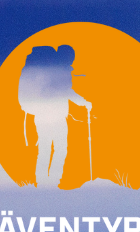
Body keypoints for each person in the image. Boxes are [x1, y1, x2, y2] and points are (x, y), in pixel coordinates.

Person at [17, 44, 91, 188]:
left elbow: (65, 91)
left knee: (47, 148)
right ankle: (51, 178)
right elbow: (66, 90)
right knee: (56, 148)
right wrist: (84, 103)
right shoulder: (58, 71)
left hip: (45, 117)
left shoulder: (33, 70)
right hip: (52, 117)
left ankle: (44, 178)